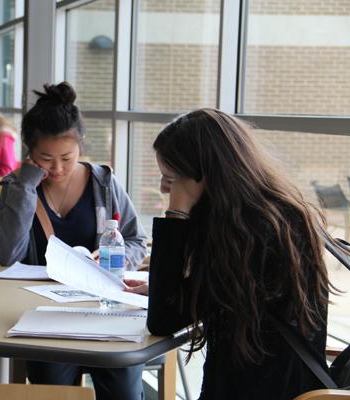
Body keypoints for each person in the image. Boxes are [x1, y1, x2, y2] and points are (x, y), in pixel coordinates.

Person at [125, 108, 335, 399]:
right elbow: (224, 296)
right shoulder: (275, 216)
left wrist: (176, 214)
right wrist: (167, 288)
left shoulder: (250, 235)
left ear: (202, 178)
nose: (163, 188)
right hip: (284, 386)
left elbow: (164, 321)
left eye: (170, 179)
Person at [0, 82, 148, 400]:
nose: (58, 168)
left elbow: (135, 239)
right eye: (46, 158)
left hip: (105, 309)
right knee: (51, 383)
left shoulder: (104, 184)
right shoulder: (18, 187)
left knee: (122, 386)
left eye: (67, 157)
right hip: (41, 311)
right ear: (29, 151)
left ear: (81, 146)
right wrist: (26, 185)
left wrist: (112, 258)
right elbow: (6, 254)